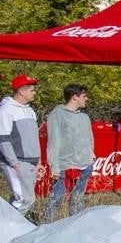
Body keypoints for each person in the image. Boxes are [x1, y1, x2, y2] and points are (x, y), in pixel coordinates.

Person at [43, 83, 95, 221]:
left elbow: (90, 138)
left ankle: (75, 224)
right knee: (57, 197)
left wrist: (91, 154)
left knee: (78, 198)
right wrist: (54, 166)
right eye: (84, 96)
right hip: (64, 164)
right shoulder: (57, 115)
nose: (87, 99)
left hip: (85, 164)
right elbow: (53, 141)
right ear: (74, 97)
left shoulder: (84, 117)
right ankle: (46, 226)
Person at [0, 74, 42, 215]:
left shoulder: (30, 110)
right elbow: (3, 139)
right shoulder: (6, 110)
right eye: (32, 90)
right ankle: (10, 232)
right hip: (17, 162)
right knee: (24, 200)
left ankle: (13, 231)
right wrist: (14, 164)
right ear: (21, 91)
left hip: (30, 162)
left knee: (22, 199)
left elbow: (34, 138)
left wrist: (38, 161)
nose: (34, 92)